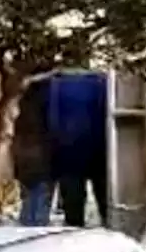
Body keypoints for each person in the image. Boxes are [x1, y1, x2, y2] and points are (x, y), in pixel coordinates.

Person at [48, 71, 108, 227]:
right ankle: (111, 228)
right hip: (98, 146)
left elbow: (52, 118)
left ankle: (74, 229)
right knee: (105, 198)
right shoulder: (102, 81)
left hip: (69, 148)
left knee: (73, 203)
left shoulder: (58, 82)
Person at [13, 70, 55, 225]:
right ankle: (37, 223)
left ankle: (28, 221)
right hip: (40, 150)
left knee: (29, 191)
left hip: (24, 151)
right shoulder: (47, 102)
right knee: (41, 189)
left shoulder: (23, 105)